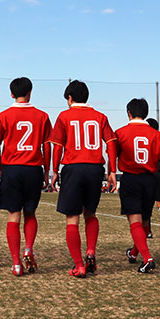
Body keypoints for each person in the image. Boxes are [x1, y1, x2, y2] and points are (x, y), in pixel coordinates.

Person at [48, 81, 117, 277]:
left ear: (70, 98)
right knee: (91, 213)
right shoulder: (100, 116)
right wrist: (112, 170)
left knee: (72, 219)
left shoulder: (64, 116)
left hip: (74, 167)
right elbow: (111, 142)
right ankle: (91, 251)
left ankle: (79, 264)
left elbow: (58, 146)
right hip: (95, 168)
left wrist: (55, 171)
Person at [0, 77, 52, 277]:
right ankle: (28, 249)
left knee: (13, 215)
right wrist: (46, 171)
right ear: (30, 92)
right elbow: (47, 146)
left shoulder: (4, 115)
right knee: (30, 213)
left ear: (12, 94)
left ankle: (16, 263)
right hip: (33, 168)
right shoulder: (42, 116)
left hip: (12, 168)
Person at [115, 99, 160, 273]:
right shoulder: (155, 134)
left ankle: (148, 258)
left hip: (131, 179)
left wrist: (111, 173)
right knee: (144, 221)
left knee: (135, 221)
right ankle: (134, 252)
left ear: (129, 112)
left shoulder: (121, 132)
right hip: (150, 180)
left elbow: (112, 155)